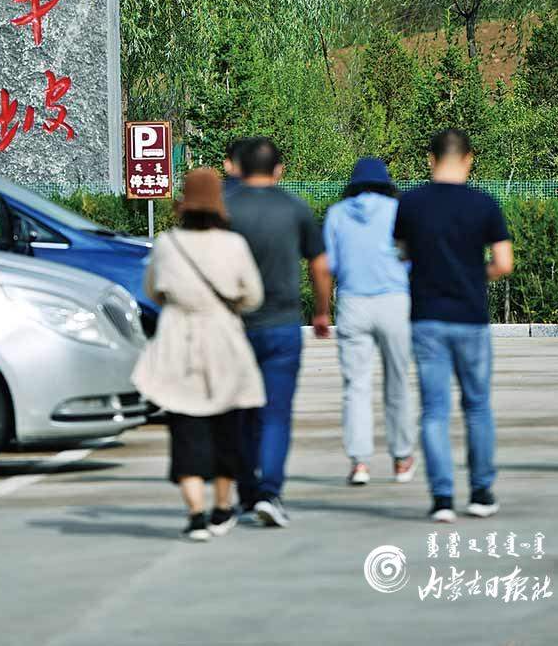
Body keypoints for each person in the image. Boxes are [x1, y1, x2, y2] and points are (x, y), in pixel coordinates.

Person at [132, 167, 265, 542]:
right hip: (223, 338)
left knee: (185, 428)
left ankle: (195, 515)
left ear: (184, 204)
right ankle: (222, 508)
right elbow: (254, 296)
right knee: (227, 426)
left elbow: (152, 290)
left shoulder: (167, 244)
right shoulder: (234, 244)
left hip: (178, 340)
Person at [394, 129, 513, 523]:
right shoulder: (484, 203)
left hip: (427, 317)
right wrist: (476, 275)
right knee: (477, 406)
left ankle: (442, 498)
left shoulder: (410, 203)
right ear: (469, 159)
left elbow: (402, 253)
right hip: (470, 317)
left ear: (430, 159)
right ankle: (480, 492)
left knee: (433, 409)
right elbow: (504, 263)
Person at [228, 138, 331, 528]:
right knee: (276, 413)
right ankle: (269, 492)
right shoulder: (295, 207)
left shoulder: (226, 207)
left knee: (239, 412)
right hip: (283, 326)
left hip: (235, 326)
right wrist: (321, 311)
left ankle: (245, 493)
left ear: (239, 167)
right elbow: (320, 265)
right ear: (278, 170)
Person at [323, 157, 415, 486]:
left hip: (352, 303)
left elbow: (329, 265)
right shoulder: (398, 210)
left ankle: (360, 463)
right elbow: (411, 256)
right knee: (398, 382)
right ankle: (401, 459)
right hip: (394, 302)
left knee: (356, 386)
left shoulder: (336, 214)